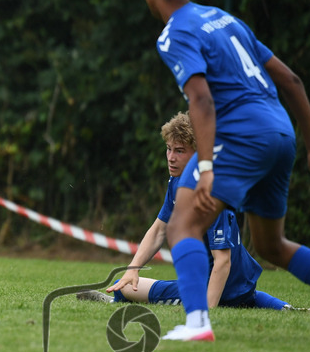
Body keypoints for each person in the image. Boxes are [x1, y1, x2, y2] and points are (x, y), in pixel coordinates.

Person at [139, 0, 310, 341]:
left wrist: (208, 167)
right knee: (271, 245)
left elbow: (202, 100)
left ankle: (196, 323)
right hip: (282, 133)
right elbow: (291, 81)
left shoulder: (174, 33)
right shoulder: (224, 19)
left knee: (181, 225)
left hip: (242, 135)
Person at [77, 112, 295, 310]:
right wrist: (133, 268)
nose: (171, 157)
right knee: (128, 281)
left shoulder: (209, 192)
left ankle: (118, 299)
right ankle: (285, 308)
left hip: (218, 287)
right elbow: (159, 230)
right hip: (241, 284)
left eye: (180, 151)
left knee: (124, 288)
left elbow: (223, 261)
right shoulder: (178, 181)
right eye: (169, 149)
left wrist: (205, 313)